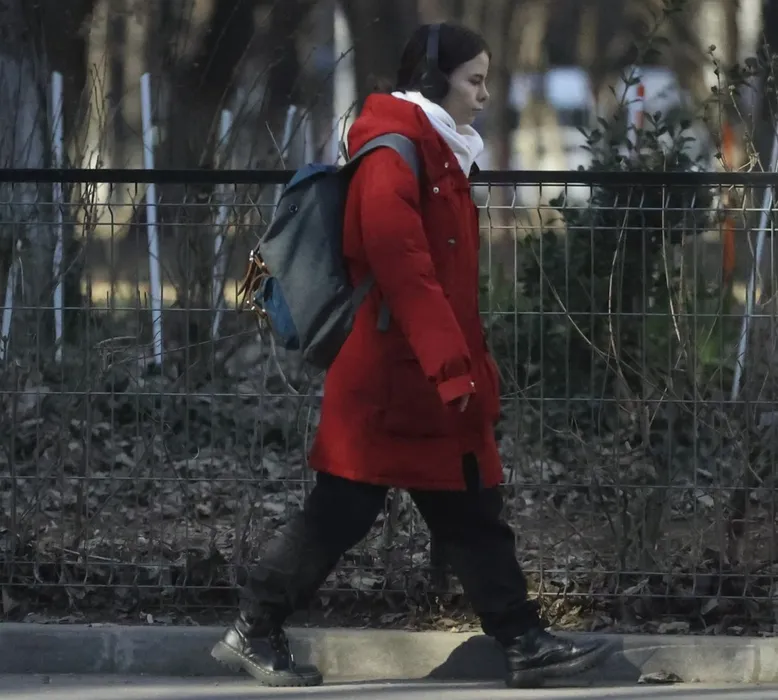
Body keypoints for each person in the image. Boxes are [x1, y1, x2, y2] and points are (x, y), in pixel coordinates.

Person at [212, 22, 610, 690]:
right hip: (391, 384)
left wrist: (465, 367)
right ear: (432, 79)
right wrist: (456, 371)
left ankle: (523, 641)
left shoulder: (436, 153)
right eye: (474, 81)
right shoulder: (394, 157)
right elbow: (408, 276)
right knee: (344, 513)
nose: (484, 95)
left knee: (471, 512)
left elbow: (443, 283)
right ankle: (255, 626)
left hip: (423, 378)